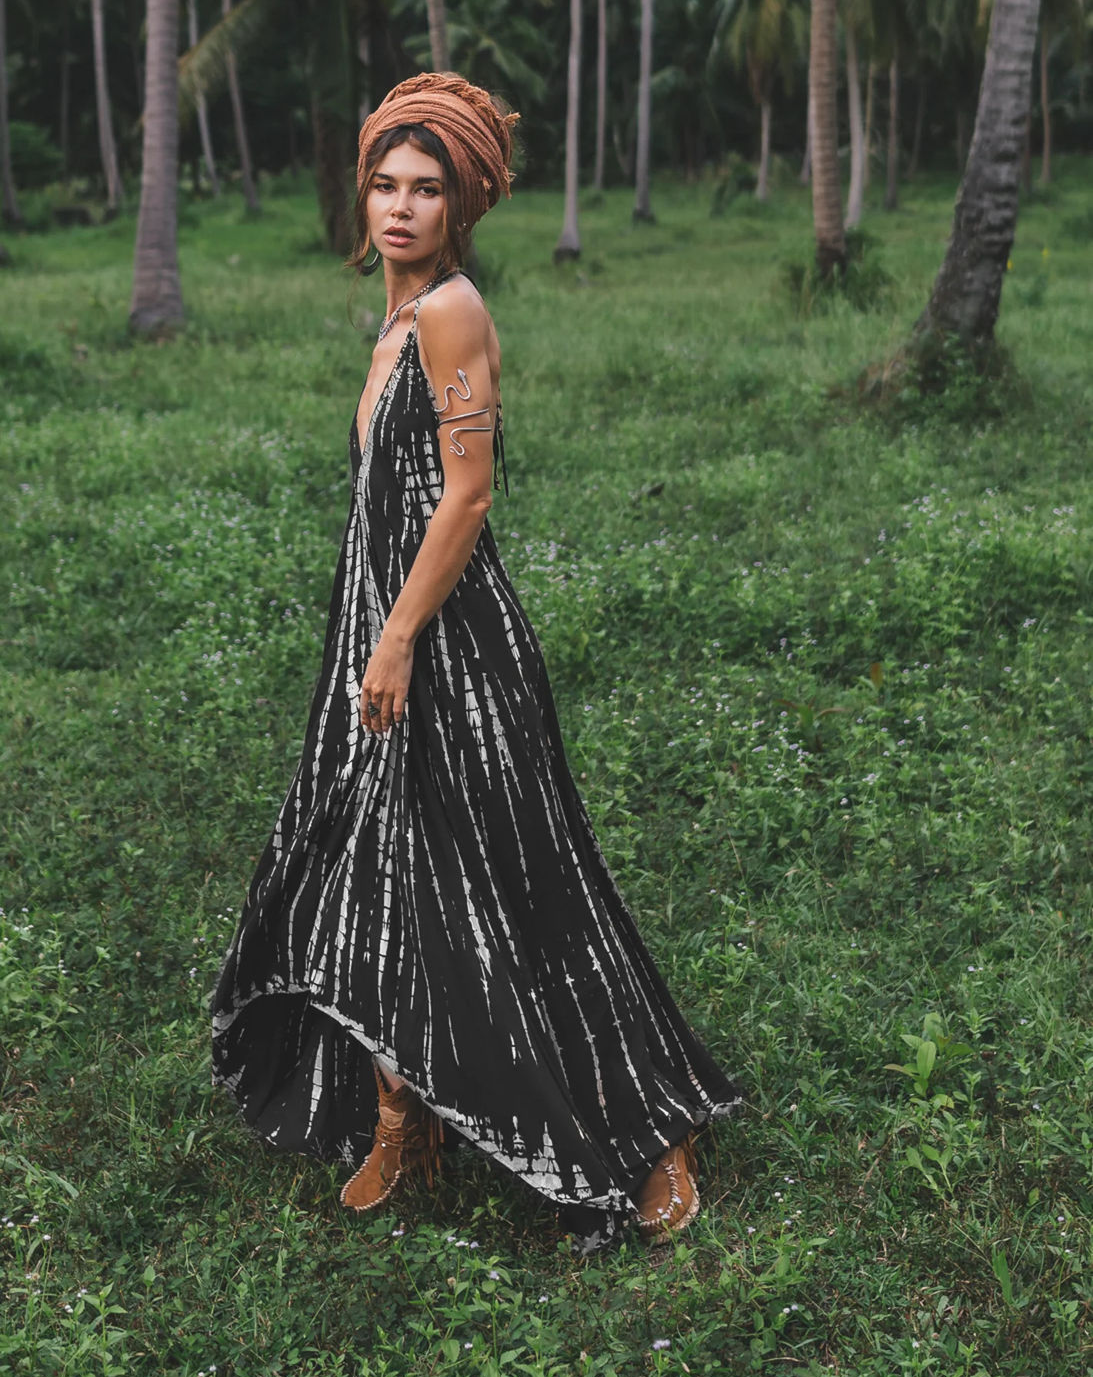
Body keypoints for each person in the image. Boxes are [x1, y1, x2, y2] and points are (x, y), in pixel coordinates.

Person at [211, 72, 741, 1249]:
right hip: (377, 624)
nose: (400, 208)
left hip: (449, 645)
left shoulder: (450, 312)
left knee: (517, 881)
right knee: (380, 868)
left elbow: (468, 494)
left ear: (463, 205)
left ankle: (649, 1122)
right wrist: (368, 629)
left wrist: (397, 638)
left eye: (427, 189)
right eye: (385, 185)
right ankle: (407, 1112)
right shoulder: (392, 316)